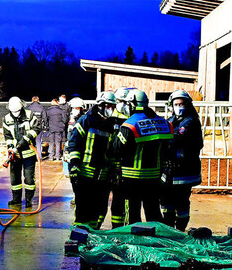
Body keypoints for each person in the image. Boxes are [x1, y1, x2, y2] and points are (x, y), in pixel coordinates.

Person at [113, 89, 173, 225]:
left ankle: (134, 243)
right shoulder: (163, 123)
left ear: (133, 104)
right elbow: (167, 149)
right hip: (154, 178)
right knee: (153, 213)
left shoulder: (129, 125)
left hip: (132, 178)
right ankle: (157, 242)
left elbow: (117, 150)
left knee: (133, 216)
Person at [67, 91, 119, 230]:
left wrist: (114, 171)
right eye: (108, 106)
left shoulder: (111, 124)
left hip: (103, 177)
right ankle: (79, 239)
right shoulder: (86, 120)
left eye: (112, 107)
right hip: (85, 176)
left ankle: (93, 235)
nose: (110, 109)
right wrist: (74, 166)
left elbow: (112, 150)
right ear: (100, 105)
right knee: (83, 212)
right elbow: (74, 144)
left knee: (100, 210)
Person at [160, 90, 203, 231]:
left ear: (188, 105)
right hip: (171, 171)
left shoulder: (191, 122)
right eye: (176, 104)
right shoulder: (172, 120)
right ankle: (169, 228)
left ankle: (179, 230)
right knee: (167, 203)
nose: (179, 107)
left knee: (181, 203)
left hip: (184, 172)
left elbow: (176, 138)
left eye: (182, 104)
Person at [2, 97, 40, 208]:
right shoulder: (7, 118)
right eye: (14, 112)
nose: (16, 114)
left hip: (29, 153)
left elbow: (37, 128)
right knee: (15, 179)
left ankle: (28, 199)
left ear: (21, 107)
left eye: (18, 111)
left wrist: (26, 139)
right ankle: (16, 199)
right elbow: (7, 136)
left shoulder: (29, 115)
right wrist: (10, 147)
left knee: (29, 178)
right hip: (15, 155)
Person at [108, 87, 134, 229]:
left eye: (125, 102)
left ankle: (124, 228)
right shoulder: (110, 118)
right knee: (113, 200)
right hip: (111, 164)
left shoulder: (133, 119)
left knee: (125, 200)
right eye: (119, 101)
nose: (122, 104)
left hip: (127, 166)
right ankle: (116, 228)